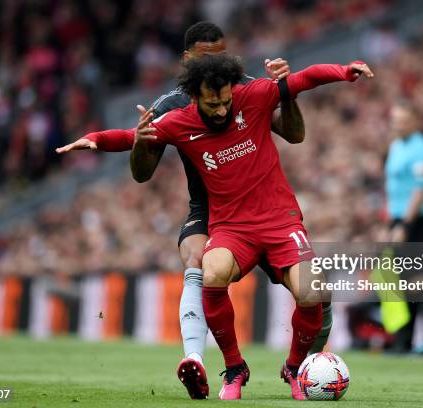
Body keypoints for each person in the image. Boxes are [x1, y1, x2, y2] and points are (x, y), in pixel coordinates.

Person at [56, 22, 333, 399]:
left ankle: (308, 369)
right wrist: (124, 142)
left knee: (317, 291)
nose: (216, 63)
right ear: (187, 61)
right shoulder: (170, 106)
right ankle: (202, 361)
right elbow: (141, 173)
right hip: (210, 205)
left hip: (262, 202)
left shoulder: (244, 88)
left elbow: (294, 133)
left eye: (221, 54)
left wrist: (288, 94)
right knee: (199, 262)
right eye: (207, 57)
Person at [128, 54, 373, 399]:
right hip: (223, 217)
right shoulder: (174, 113)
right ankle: (226, 366)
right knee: (204, 268)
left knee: (313, 288)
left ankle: (294, 367)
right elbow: (131, 152)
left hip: (275, 216)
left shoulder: (250, 93)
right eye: (213, 102)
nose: (221, 109)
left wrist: (343, 72)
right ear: (193, 87)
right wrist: (101, 139)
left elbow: (301, 100)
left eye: (225, 99)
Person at [384, 101, 423, 353]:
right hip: (396, 219)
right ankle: (404, 339)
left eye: (403, 120)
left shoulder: (421, 148)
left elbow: (419, 190)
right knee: (398, 282)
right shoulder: (395, 146)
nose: (398, 125)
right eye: (395, 120)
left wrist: (404, 224)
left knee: (415, 281)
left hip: (414, 222)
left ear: (414, 121)